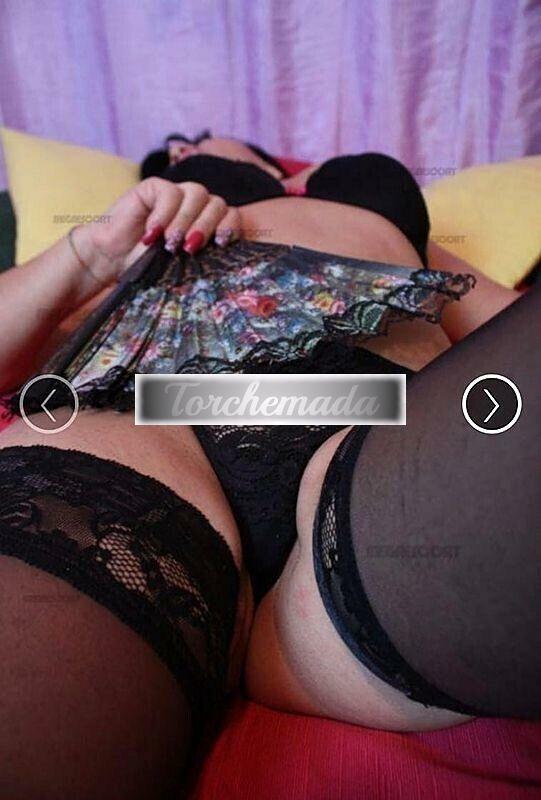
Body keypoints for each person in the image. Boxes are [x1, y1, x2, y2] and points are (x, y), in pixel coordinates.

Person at [0, 137, 535, 800]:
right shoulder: (148, 215)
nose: (184, 143)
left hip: (369, 421)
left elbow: (490, 317)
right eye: (180, 150)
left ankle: (300, 635)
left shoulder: (379, 205)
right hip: (144, 407)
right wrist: (87, 256)